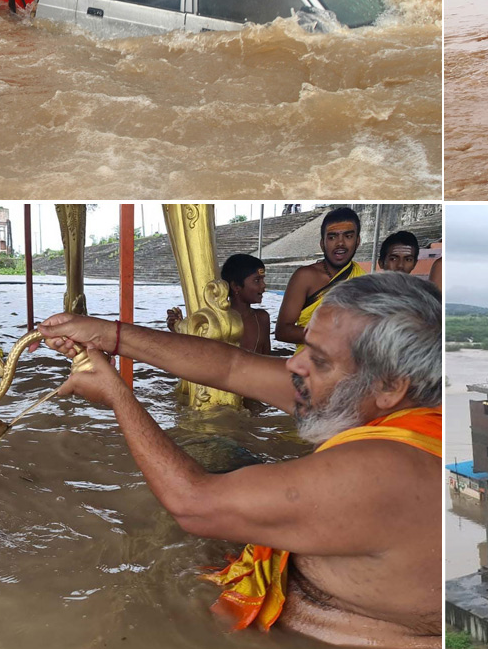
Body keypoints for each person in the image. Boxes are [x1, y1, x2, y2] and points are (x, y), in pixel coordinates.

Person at [38, 274, 441, 647]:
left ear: (389, 386)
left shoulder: (388, 469)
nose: (295, 365)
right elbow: (232, 367)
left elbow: (194, 505)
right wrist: (106, 333)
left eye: (318, 360)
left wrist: (119, 397)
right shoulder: (369, 400)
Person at [275, 207, 365, 350]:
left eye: (348, 236)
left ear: (358, 241)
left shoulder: (362, 280)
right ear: (322, 243)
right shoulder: (305, 277)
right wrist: (331, 337)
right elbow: (282, 331)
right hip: (307, 365)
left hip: (348, 366)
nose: (340, 243)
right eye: (332, 237)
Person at [166, 253, 271, 355]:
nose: (263, 285)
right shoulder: (215, 319)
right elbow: (198, 357)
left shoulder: (262, 318)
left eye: (263, 279)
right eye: (257, 280)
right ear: (236, 286)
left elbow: (268, 359)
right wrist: (180, 328)